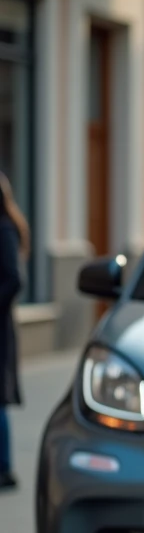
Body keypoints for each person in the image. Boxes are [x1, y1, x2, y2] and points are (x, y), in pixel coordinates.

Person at [0, 172, 26, 490]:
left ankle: (5, 467)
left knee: (0, 399)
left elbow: (14, 279)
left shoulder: (5, 229)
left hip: (1, 328)